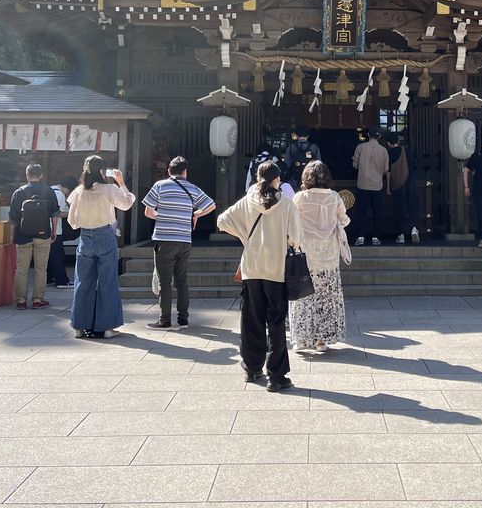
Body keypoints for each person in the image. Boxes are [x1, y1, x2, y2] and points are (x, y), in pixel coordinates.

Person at [217, 162, 301, 392]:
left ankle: (252, 367)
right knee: (276, 322)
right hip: (276, 269)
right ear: (277, 180)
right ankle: (276, 375)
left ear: (257, 178)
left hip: (251, 268)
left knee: (251, 319)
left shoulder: (246, 202)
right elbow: (296, 238)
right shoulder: (286, 204)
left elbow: (221, 221)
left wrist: (245, 237)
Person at [143, 156, 216, 329]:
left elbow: (148, 212)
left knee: (164, 281)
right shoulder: (193, 188)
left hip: (165, 239)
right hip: (185, 239)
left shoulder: (159, 186)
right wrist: (196, 214)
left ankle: (165, 319)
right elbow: (211, 205)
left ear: (169, 171)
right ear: (185, 172)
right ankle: (183, 318)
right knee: (182, 280)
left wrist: (161, 215)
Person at [68, 155, 136, 338]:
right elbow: (127, 203)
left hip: (85, 236)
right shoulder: (109, 189)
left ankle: (79, 327)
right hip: (104, 235)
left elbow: (72, 221)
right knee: (108, 282)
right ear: (101, 171)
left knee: (83, 282)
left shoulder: (79, 191)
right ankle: (107, 327)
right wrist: (121, 183)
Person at [290, 160, 350, 351]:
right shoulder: (334, 197)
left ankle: (301, 338)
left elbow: (290, 221)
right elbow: (345, 220)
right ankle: (321, 340)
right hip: (329, 256)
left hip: (305, 255)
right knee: (326, 299)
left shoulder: (300, 197)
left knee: (303, 297)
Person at [8, 164, 61, 310]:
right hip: (43, 234)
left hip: (22, 235)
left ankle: (21, 300)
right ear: (41, 175)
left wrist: (12, 236)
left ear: (27, 175)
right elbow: (55, 214)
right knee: (40, 269)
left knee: (21, 269)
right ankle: (38, 299)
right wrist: (53, 232)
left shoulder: (19, 193)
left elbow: (13, 218)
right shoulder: (49, 191)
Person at [352, 126, 389, 246]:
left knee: (361, 212)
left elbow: (355, 165)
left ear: (368, 135)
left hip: (362, 184)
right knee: (377, 213)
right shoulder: (383, 150)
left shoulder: (361, 147)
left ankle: (360, 236)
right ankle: (376, 237)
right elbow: (386, 169)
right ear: (380, 137)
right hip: (377, 185)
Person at [385, 132, 420, 244]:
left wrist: (388, 188)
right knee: (413, 207)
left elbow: (388, 171)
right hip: (411, 182)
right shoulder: (407, 151)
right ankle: (414, 229)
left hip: (398, 184)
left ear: (388, 143)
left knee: (399, 209)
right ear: (398, 141)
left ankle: (400, 235)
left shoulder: (388, 153)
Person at [45, 178, 72, 289]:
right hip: (56, 229)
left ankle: (49, 278)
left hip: (45, 227)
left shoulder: (49, 190)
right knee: (58, 255)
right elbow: (58, 213)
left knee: (49, 256)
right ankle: (61, 281)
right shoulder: (59, 194)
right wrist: (72, 213)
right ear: (67, 188)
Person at [283, 126, 321, 193]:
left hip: (294, 178)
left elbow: (287, 163)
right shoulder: (314, 147)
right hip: (310, 178)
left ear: (297, 135)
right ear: (308, 136)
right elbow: (319, 164)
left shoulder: (291, 147)